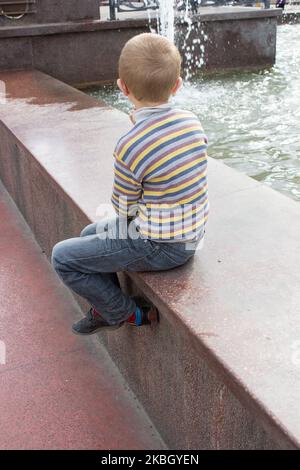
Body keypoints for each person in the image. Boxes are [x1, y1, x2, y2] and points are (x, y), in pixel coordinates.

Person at [51, 33, 209, 335]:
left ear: (122, 87)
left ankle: (126, 313)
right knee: (88, 233)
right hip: (190, 233)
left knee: (63, 257)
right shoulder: (192, 121)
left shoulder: (132, 144)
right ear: (176, 85)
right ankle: (105, 305)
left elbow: (123, 207)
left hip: (162, 245)